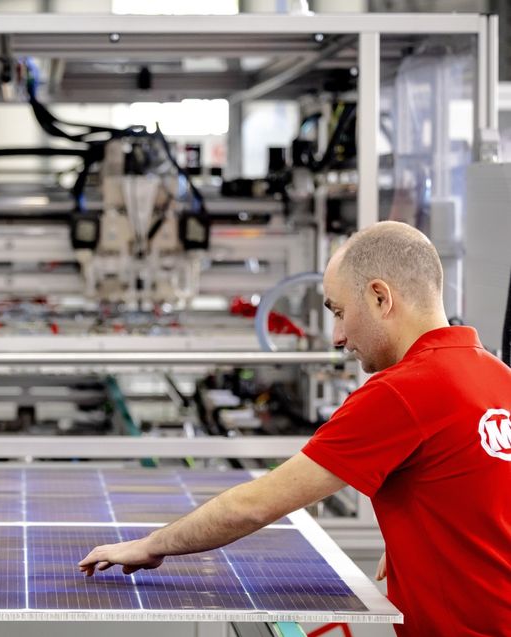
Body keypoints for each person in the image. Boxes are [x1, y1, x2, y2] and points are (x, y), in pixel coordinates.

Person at [78, 221, 511, 637]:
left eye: (341, 313)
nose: (338, 336)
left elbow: (252, 507)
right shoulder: (497, 375)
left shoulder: (403, 392)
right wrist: (422, 537)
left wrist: (152, 545)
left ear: (380, 297)